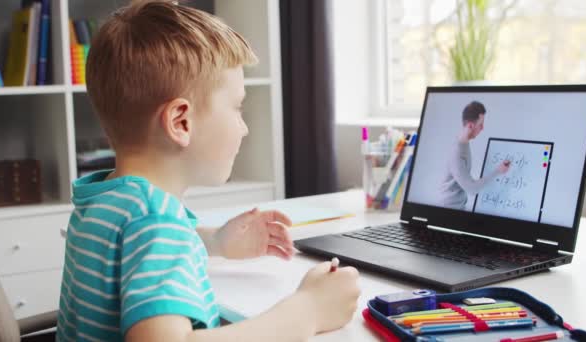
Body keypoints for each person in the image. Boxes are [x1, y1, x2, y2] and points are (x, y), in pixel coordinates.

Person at [57, 2, 360, 341]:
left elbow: (132, 247)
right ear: (180, 122)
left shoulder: (104, 200)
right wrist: (307, 311)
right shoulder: (158, 221)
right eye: (237, 107)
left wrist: (215, 241)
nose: (244, 128)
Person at [438, 101, 510, 210]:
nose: (482, 128)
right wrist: (498, 171)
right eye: (480, 125)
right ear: (470, 125)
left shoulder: (464, 144)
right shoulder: (457, 153)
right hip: (447, 212)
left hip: (458, 208)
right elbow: (472, 189)